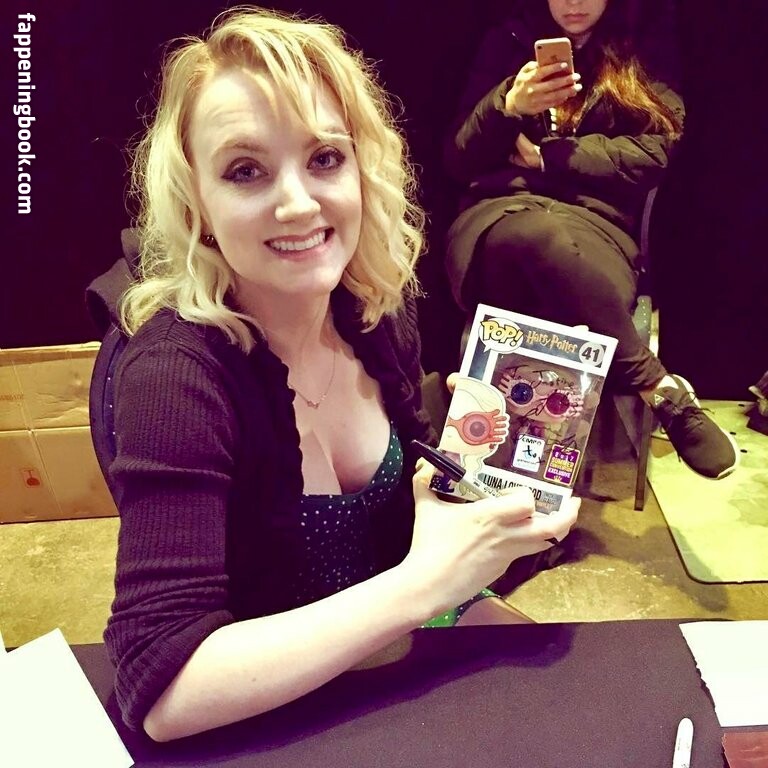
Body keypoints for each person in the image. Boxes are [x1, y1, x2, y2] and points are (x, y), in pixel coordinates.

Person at [103, 7, 580, 742]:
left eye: (325, 158)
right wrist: (428, 583)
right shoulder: (175, 377)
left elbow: (407, 539)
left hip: (390, 661)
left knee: (562, 701)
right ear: (197, 203)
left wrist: (478, 477)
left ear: (363, 170)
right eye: (245, 171)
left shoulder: (373, 313)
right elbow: (160, 691)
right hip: (269, 723)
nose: (298, 203)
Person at [444, 0, 738, 480]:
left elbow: (656, 151)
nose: (574, 2)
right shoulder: (507, 42)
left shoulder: (643, 50)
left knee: (546, 282)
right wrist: (508, 106)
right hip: (498, 219)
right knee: (530, 237)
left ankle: (515, 486)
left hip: (597, 229)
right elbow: (457, 158)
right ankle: (656, 386)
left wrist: (551, 158)